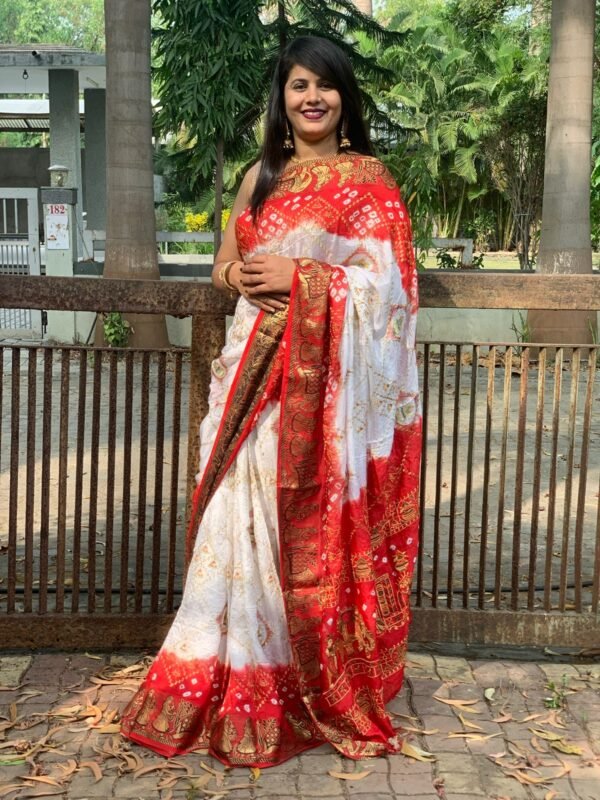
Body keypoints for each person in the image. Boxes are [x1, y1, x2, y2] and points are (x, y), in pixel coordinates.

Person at [121, 35, 421, 768]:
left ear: (345, 97)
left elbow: (391, 295)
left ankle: (296, 675)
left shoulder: (370, 182)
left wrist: (307, 278)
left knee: (295, 516)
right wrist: (245, 280)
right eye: (297, 86)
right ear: (281, 100)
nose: (311, 97)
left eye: (324, 85)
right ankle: (225, 668)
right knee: (237, 514)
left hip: (319, 386)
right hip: (248, 371)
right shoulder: (263, 175)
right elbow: (224, 263)